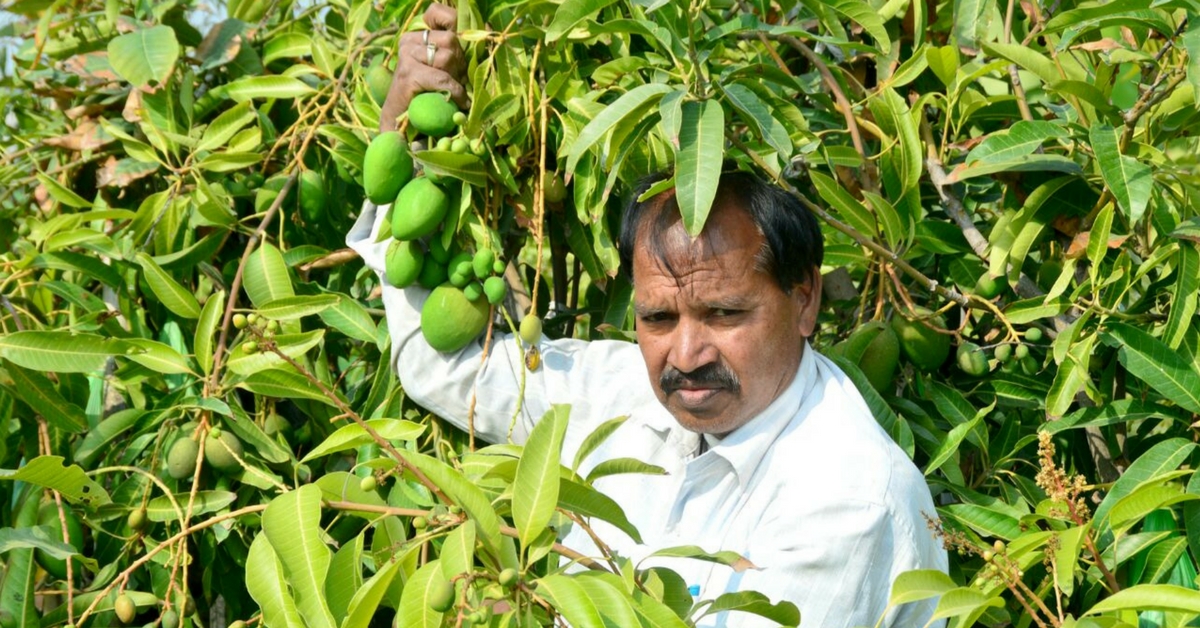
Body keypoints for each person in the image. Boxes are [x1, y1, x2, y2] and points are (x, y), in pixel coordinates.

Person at [350, 5, 948, 626]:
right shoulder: (618, 395)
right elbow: (444, 364)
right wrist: (406, 125)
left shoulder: (845, 500)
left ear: (803, 300)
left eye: (723, 313)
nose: (686, 356)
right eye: (658, 319)